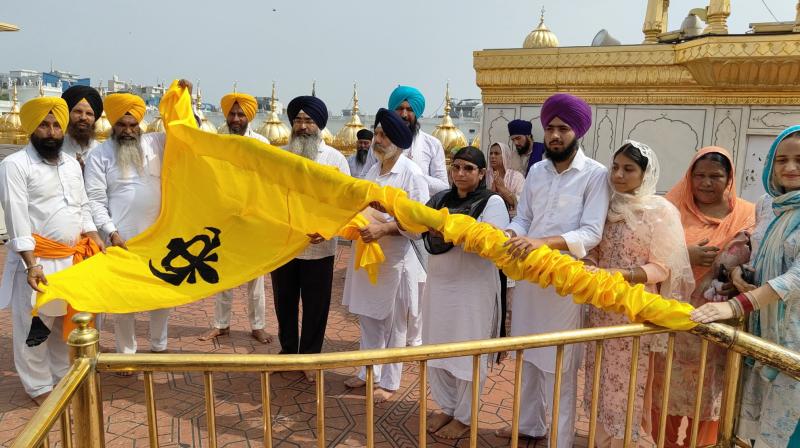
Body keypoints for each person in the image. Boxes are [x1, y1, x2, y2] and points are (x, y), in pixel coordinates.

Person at [497, 93, 610, 447]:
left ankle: (559, 440)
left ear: (578, 131)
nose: (556, 135)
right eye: (550, 128)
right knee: (529, 352)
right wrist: (511, 233)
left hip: (565, 282)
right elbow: (525, 217)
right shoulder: (537, 171)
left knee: (559, 362)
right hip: (531, 277)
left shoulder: (595, 175)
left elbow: (591, 233)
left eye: (563, 128)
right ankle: (530, 423)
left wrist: (542, 243)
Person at [691, 126, 800, 448]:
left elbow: (795, 277)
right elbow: (760, 250)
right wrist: (738, 273)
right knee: (751, 427)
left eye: (799, 159)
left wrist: (736, 305)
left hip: (793, 337)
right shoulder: (768, 204)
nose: (790, 168)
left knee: (787, 428)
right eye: (781, 160)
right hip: (759, 331)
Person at [582, 141, 694, 448]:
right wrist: (590, 268)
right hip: (603, 306)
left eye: (628, 169)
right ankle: (600, 440)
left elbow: (662, 268)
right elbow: (594, 250)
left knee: (628, 383)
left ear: (645, 173)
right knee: (601, 380)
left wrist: (619, 276)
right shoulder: (604, 206)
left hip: (634, 310)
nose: (618, 175)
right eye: (615, 167)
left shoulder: (659, 211)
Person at [0, 97, 104, 403]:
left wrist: (95, 237)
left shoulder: (72, 164)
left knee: (63, 324)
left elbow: (83, 207)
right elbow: (17, 218)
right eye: (44, 125)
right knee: (36, 327)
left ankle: (61, 377)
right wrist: (31, 265)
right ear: (32, 127)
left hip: (73, 260)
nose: (51, 131)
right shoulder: (14, 165)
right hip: (39, 262)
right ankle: (37, 386)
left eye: (57, 125)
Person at [651, 146, 756, 447]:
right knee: (665, 393)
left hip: (718, 324)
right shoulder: (670, 210)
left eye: (715, 176)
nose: (706, 183)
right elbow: (647, 252)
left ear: (730, 178)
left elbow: (755, 261)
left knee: (711, 397)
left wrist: (735, 276)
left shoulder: (747, 214)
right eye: (699, 176)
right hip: (672, 317)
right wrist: (686, 255)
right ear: (690, 176)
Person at [422, 146, 509, 439]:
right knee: (437, 346)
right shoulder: (439, 200)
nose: (460, 173)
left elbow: (491, 242)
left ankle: (465, 415)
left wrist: (448, 230)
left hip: (472, 290)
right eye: (456, 167)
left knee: (467, 350)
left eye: (468, 169)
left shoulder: (491, 201)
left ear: (482, 173)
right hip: (439, 286)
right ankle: (446, 406)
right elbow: (413, 225)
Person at [342, 108, 428, 402]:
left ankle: (390, 381)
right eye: (376, 133)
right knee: (368, 317)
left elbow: (419, 225)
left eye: (382, 135)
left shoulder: (412, 174)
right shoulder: (371, 170)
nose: (376, 140)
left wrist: (384, 230)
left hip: (395, 260)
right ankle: (368, 372)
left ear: (398, 142)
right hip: (366, 255)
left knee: (394, 323)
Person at [84, 92, 171, 356]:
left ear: (141, 126)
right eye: (122, 125)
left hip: (157, 237)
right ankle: (126, 353)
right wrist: (111, 233)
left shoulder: (157, 143)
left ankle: (159, 347)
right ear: (113, 125)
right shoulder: (99, 155)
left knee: (162, 295)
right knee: (124, 301)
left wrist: (182, 99)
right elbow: (95, 201)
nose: (128, 131)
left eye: (133, 125)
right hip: (121, 240)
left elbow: (187, 132)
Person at [270, 96, 349, 381]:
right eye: (298, 120)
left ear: (319, 125)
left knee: (316, 306)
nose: (302, 126)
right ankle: (289, 353)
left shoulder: (335, 160)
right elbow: (269, 197)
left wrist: (327, 229)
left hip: (320, 248)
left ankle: (311, 358)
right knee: (284, 303)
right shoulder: (279, 156)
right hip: (284, 246)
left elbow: (345, 203)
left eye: (309, 120)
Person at [199, 93, 273, 345]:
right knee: (221, 275)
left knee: (256, 278)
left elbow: (268, 182)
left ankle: (258, 326)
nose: (236, 118)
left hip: (253, 217)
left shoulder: (262, 143)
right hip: (223, 217)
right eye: (232, 113)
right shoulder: (217, 142)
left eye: (241, 114)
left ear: (249, 117)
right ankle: (221, 325)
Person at [486, 140, 526, 342]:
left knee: (509, 283)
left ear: (506, 156)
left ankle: (508, 327)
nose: (493, 157)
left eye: (497, 153)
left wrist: (503, 189)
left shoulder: (516, 177)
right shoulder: (484, 176)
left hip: (511, 232)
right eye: (491, 153)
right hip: (489, 234)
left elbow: (522, 205)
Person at [60, 85, 103, 166]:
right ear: (68, 114)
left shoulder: (103, 152)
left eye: (89, 114)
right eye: (78, 112)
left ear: (95, 118)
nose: (83, 117)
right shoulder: (56, 149)